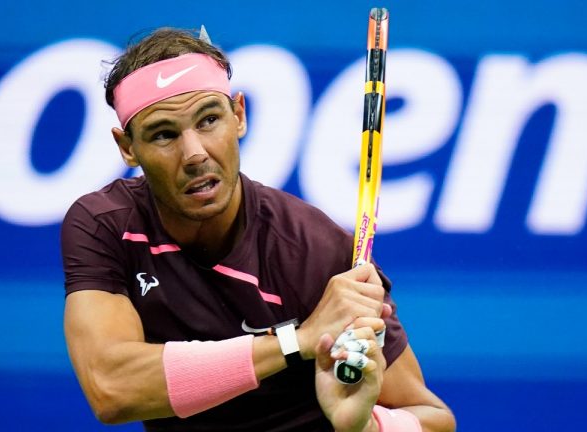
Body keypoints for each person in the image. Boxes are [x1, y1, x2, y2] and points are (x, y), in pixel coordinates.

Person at [61, 27, 455, 432]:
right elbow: (111, 387)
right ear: (127, 147)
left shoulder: (314, 252)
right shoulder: (106, 225)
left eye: (209, 120)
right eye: (164, 134)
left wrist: (365, 427)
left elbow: (434, 420)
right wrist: (296, 342)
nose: (194, 153)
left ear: (239, 115)